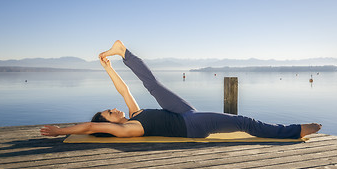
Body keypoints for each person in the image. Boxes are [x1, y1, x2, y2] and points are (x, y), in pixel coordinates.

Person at [40, 40, 322, 139]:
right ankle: (294, 131)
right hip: (191, 126)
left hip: (182, 112)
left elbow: (125, 90)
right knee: (241, 122)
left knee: (153, 85)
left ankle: (123, 51)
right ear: (107, 124)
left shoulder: (133, 114)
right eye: (109, 113)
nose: (114, 109)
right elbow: (90, 128)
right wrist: (61, 131)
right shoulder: (127, 130)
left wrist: (108, 67)